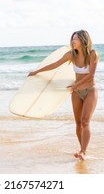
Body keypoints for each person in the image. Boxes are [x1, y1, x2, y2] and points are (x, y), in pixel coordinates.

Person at [28, 30, 99, 160]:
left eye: (75, 39)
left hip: (90, 90)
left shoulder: (93, 54)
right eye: (72, 39)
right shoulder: (71, 55)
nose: (73, 41)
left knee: (85, 121)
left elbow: (91, 75)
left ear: (83, 40)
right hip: (76, 92)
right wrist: (37, 71)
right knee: (78, 123)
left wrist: (76, 85)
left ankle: (83, 151)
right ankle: (82, 149)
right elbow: (55, 65)